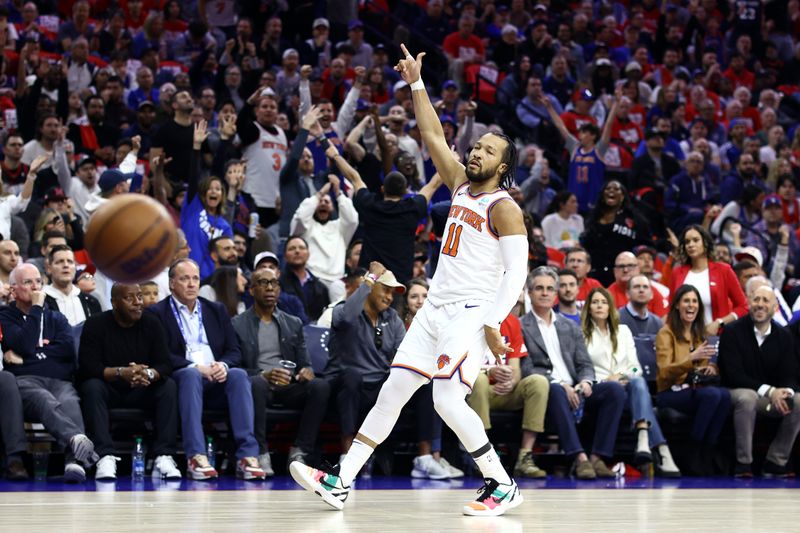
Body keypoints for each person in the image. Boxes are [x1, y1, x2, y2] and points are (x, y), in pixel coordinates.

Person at [291, 45, 528, 517]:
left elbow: (517, 272)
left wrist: (493, 321)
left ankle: (501, 484)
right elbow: (432, 133)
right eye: (477, 146)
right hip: (435, 307)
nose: (477, 151)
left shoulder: (504, 207)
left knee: (444, 397)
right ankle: (341, 480)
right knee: (393, 391)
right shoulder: (460, 184)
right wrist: (417, 83)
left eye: (488, 150)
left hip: (470, 311)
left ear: (503, 167)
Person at [146, 259, 265, 481]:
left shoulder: (216, 309)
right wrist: (194, 366)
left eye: (195, 278)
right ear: (172, 283)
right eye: (184, 279)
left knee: (238, 374)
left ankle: (246, 457)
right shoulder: (157, 313)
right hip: (184, 377)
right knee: (190, 375)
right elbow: (160, 355)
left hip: (217, 376)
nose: (191, 284)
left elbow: (233, 349)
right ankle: (196, 456)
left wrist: (223, 365)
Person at [519, 267, 626, 480]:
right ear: (529, 293)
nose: (545, 293)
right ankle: (580, 458)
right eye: (539, 288)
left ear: (555, 293)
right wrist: (560, 383)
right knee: (557, 390)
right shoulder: (522, 325)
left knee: (615, 390)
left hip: (576, 387)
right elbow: (527, 368)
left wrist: (585, 381)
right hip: (547, 389)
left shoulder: (569, 325)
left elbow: (585, 363)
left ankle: (597, 457)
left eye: (550, 288)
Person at [0, 263, 99, 482]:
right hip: (25, 382)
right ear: (14, 289)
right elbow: (24, 343)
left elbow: (66, 352)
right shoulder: (5, 317)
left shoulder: (57, 318)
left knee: (70, 401)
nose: (35, 287)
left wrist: (29, 357)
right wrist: (36, 309)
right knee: (44, 399)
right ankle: (76, 441)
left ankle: (73, 462)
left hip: (59, 380)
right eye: (27, 282)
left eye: (38, 281)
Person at [232, 267, 331, 475]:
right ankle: (260, 451)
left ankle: (300, 451)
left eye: (274, 283)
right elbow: (235, 368)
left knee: (320, 386)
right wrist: (262, 374)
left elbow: (306, 363)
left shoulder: (293, 323)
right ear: (251, 290)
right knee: (257, 384)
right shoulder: (237, 324)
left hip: (288, 385)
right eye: (263, 283)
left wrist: (306, 372)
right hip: (259, 385)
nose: (269, 287)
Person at [78, 284, 181, 481]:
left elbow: (165, 364)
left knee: (168, 386)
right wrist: (120, 372)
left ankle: (163, 455)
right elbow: (88, 367)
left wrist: (149, 374)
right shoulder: (96, 324)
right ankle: (104, 456)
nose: (137, 303)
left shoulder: (152, 323)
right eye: (130, 298)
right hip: (110, 390)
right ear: (114, 302)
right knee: (91, 386)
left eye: (140, 297)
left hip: (142, 389)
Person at [581, 287, 680, 477]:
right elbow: (582, 369)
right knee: (641, 393)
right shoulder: (582, 334)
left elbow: (636, 367)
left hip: (627, 389)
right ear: (589, 308)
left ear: (610, 306)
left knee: (638, 381)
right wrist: (607, 380)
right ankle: (660, 448)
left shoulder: (623, 331)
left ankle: (645, 438)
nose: (600, 306)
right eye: (595, 302)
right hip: (599, 390)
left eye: (603, 302)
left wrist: (622, 377)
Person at [326, 143, 441, 285]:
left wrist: (336, 156)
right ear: (405, 191)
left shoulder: (370, 204)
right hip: (399, 283)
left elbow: (354, 177)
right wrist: (451, 160)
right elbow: (433, 185)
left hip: (369, 280)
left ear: (382, 189)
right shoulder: (413, 208)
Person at [720, 280, 800, 478]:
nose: (760, 304)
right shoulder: (732, 332)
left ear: (775, 307)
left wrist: (785, 392)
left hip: (770, 396)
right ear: (749, 303)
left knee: (798, 400)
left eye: (766, 300)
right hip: (736, 392)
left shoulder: (784, 335)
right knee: (747, 397)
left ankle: (776, 462)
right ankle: (743, 463)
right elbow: (732, 374)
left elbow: (790, 373)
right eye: (756, 299)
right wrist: (770, 391)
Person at [655, 284, 732, 476]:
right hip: (668, 391)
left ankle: (708, 449)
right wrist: (689, 360)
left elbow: (700, 368)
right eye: (686, 301)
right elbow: (664, 372)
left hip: (693, 388)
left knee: (724, 395)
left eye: (695, 301)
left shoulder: (699, 333)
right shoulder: (666, 333)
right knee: (712, 396)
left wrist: (710, 368)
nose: (691, 305)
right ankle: (693, 450)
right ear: (677, 306)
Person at [467, 313, 551, 478]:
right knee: (480, 380)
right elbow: (462, 365)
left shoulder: (511, 320)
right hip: (476, 391)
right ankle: (485, 457)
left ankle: (525, 457)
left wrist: (512, 382)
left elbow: (515, 366)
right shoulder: (469, 318)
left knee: (538, 382)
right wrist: (489, 370)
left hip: (505, 392)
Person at [540, 88, 619, 213]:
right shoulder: (575, 148)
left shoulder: (599, 150)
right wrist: (550, 108)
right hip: (574, 200)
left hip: (593, 200)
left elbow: (608, 125)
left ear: (593, 136)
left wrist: (616, 103)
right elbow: (561, 127)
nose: (580, 135)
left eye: (583, 133)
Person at [290, 175, 359, 302]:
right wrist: (319, 194)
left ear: (333, 208)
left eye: (327, 202)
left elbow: (352, 219)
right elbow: (300, 217)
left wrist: (338, 193)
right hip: (312, 279)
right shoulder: (306, 226)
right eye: (320, 202)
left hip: (337, 282)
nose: (323, 203)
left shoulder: (340, 228)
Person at [669, 225, 748, 336]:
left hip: (715, 339)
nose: (691, 245)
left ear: (705, 244)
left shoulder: (723, 270)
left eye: (695, 240)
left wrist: (719, 323)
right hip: (682, 340)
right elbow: (671, 309)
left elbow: (743, 307)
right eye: (687, 242)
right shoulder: (677, 273)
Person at [180, 120, 233, 279]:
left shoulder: (225, 226)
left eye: (218, 189)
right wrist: (196, 147)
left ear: (222, 196)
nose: (214, 191)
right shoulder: (193, 209)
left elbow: (228, 257)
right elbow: (194, 176)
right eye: (210, 188)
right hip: (187, 278)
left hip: (214, 283)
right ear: (203, 194)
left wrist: (225, 139)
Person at [580, 180, 650, 286]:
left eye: (616, 189)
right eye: (608, 188)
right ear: (603, 195)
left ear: (622, 197)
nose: (611, 190)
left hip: (622, 273)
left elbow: (645, 243)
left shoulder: (634, 218)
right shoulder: (592, 217)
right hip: (594, 271)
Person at [42, 245, 101, 326]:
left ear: (75, 267)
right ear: (49, 268)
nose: (66, 265)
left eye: (70, 261)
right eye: (60, 261)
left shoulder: (91, 301)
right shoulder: (41, 302)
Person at [607, 251, 669, 318]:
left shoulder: (651, 291)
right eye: (621, 266)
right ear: (614, 271)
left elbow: (663, 320)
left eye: (630, 265)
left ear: (638, 269)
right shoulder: (607, 295)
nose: (625, 270)